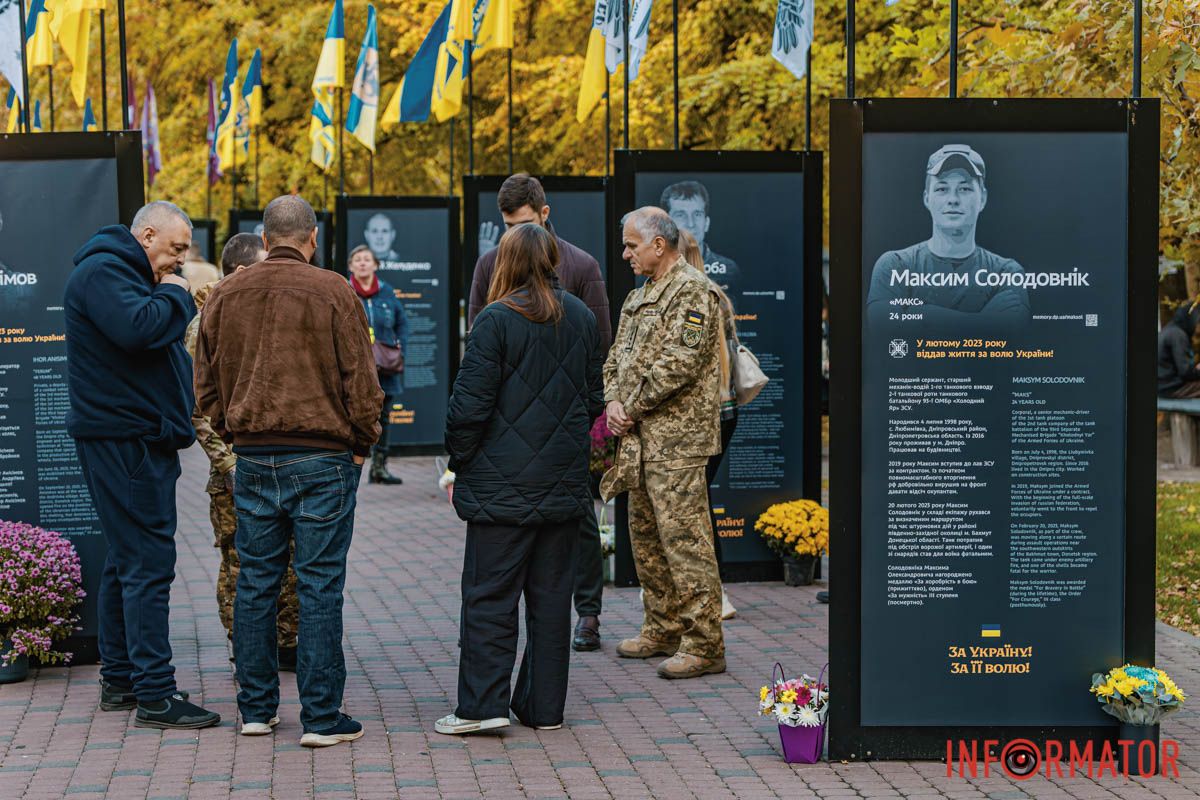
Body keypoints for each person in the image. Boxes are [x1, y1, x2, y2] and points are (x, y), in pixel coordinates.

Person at [194, 195, 383, 747]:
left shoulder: (225, 294)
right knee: (320, 585)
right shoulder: (334, 292)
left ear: (265, 235)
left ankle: (256, 709)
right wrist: (361, 445)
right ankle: (322, 717)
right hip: (323, 454)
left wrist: (234, 433)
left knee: (256, 582)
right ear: (312, 238)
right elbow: (362, 384)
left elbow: (204, 386)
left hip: (253, 455)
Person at [440, 223, 603, 735]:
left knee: (489, 597)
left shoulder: (495, 320)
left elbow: (467, 411)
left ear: (505, 262)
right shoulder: (580, 317)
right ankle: (543, 708)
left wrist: (459, 462)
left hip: (499, 489)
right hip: (562, 484)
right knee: (552, 601)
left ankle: (483, 707)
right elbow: (593, 400)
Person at [65, 201, 220, 729]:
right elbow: (140, 329)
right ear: (147, 234)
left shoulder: (118, 271)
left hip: (131, 439)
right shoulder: (106, 271)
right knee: (147, 565)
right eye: (176, 249)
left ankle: (122, 679)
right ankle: (154, 693)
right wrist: (176, 294)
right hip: (127, 441)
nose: (179, 263)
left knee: (125, 559)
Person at [466, 173, 612, 654]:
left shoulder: (581, 265)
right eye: (505, 224)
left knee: (579, 522)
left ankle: (587, 612)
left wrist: (592, 419)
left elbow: (600, 346)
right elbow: (477, 343)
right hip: (508, 423)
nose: (512, 233)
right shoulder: (491, 265)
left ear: (544, 213)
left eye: (521, 223)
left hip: (566, 421)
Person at [603, 207, 725, 680]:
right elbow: (616, 356)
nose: (626, 253)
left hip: (677, 440)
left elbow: (682, 361)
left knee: (685, 541)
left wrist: (628, 405)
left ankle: (704, 642)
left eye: (632, 245)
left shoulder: (693, 289)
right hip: (639, 438)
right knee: (647, 539)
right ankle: (663, 626)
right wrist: (613, 399)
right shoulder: (641, 295)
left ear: (660, 244)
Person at [183, 233, 301, 672]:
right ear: (239, 272)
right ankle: (247, 647)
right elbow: (198, 407)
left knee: (286, 559)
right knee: (240, 562)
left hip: (276, 460)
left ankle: (285, 641)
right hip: (235, 469)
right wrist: (228, 465)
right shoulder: (207, 321)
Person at [865, 144, 1031, 329]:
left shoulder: (1006, 272)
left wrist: (920, 315)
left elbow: (1014, 332)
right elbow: (882, 326)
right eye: (942, 189)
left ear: (982, 198)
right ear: (927, 198)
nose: (953, 199)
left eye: (964, 189)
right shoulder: (895, 265)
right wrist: (982, 321)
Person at [678, 230, 737, 621]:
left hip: (707, 414)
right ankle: (712, 593)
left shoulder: (696, 297)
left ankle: (715, 595)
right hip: (724, 411)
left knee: (696, 507)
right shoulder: (718, 294)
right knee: (700, 503)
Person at [348, 244, 409, 485]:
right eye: (357, 259)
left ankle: (380, 467)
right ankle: (352, 465)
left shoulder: (387, 292)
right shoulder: (345, 291)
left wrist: (400, 347)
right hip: (356, 369)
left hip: (385, 368)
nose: (362, 263)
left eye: (367, 259)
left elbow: (402, 323)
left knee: (384, 416)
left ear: (376, 265)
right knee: (354, 415)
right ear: (351, 266)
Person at [660, 181, 741, 292]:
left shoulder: (729, 270)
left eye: (697, 214)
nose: (691, 224)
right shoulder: (653, 269)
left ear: (706, 223)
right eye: (680, 215)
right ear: (666, 224)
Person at [1159, 299, 1200, 397]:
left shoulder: (1167, 331)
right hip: (1171, 388)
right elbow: (1185, 373)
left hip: (1162, 386)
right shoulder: (1178, 335)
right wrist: (1198, 371)